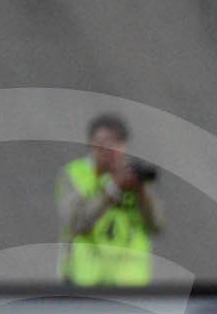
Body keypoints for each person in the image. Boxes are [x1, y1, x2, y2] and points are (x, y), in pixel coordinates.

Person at [58, 113, 161, 286]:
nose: (109, 152)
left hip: (130, 283)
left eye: (115, 144)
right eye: (102, 145)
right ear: (92, 145)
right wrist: (113, 189)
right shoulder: (75, 175)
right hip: (85, 280)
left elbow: (156, 224)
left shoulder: (135, 176)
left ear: (124, 146)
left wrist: (142, 193)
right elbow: (77, 223)